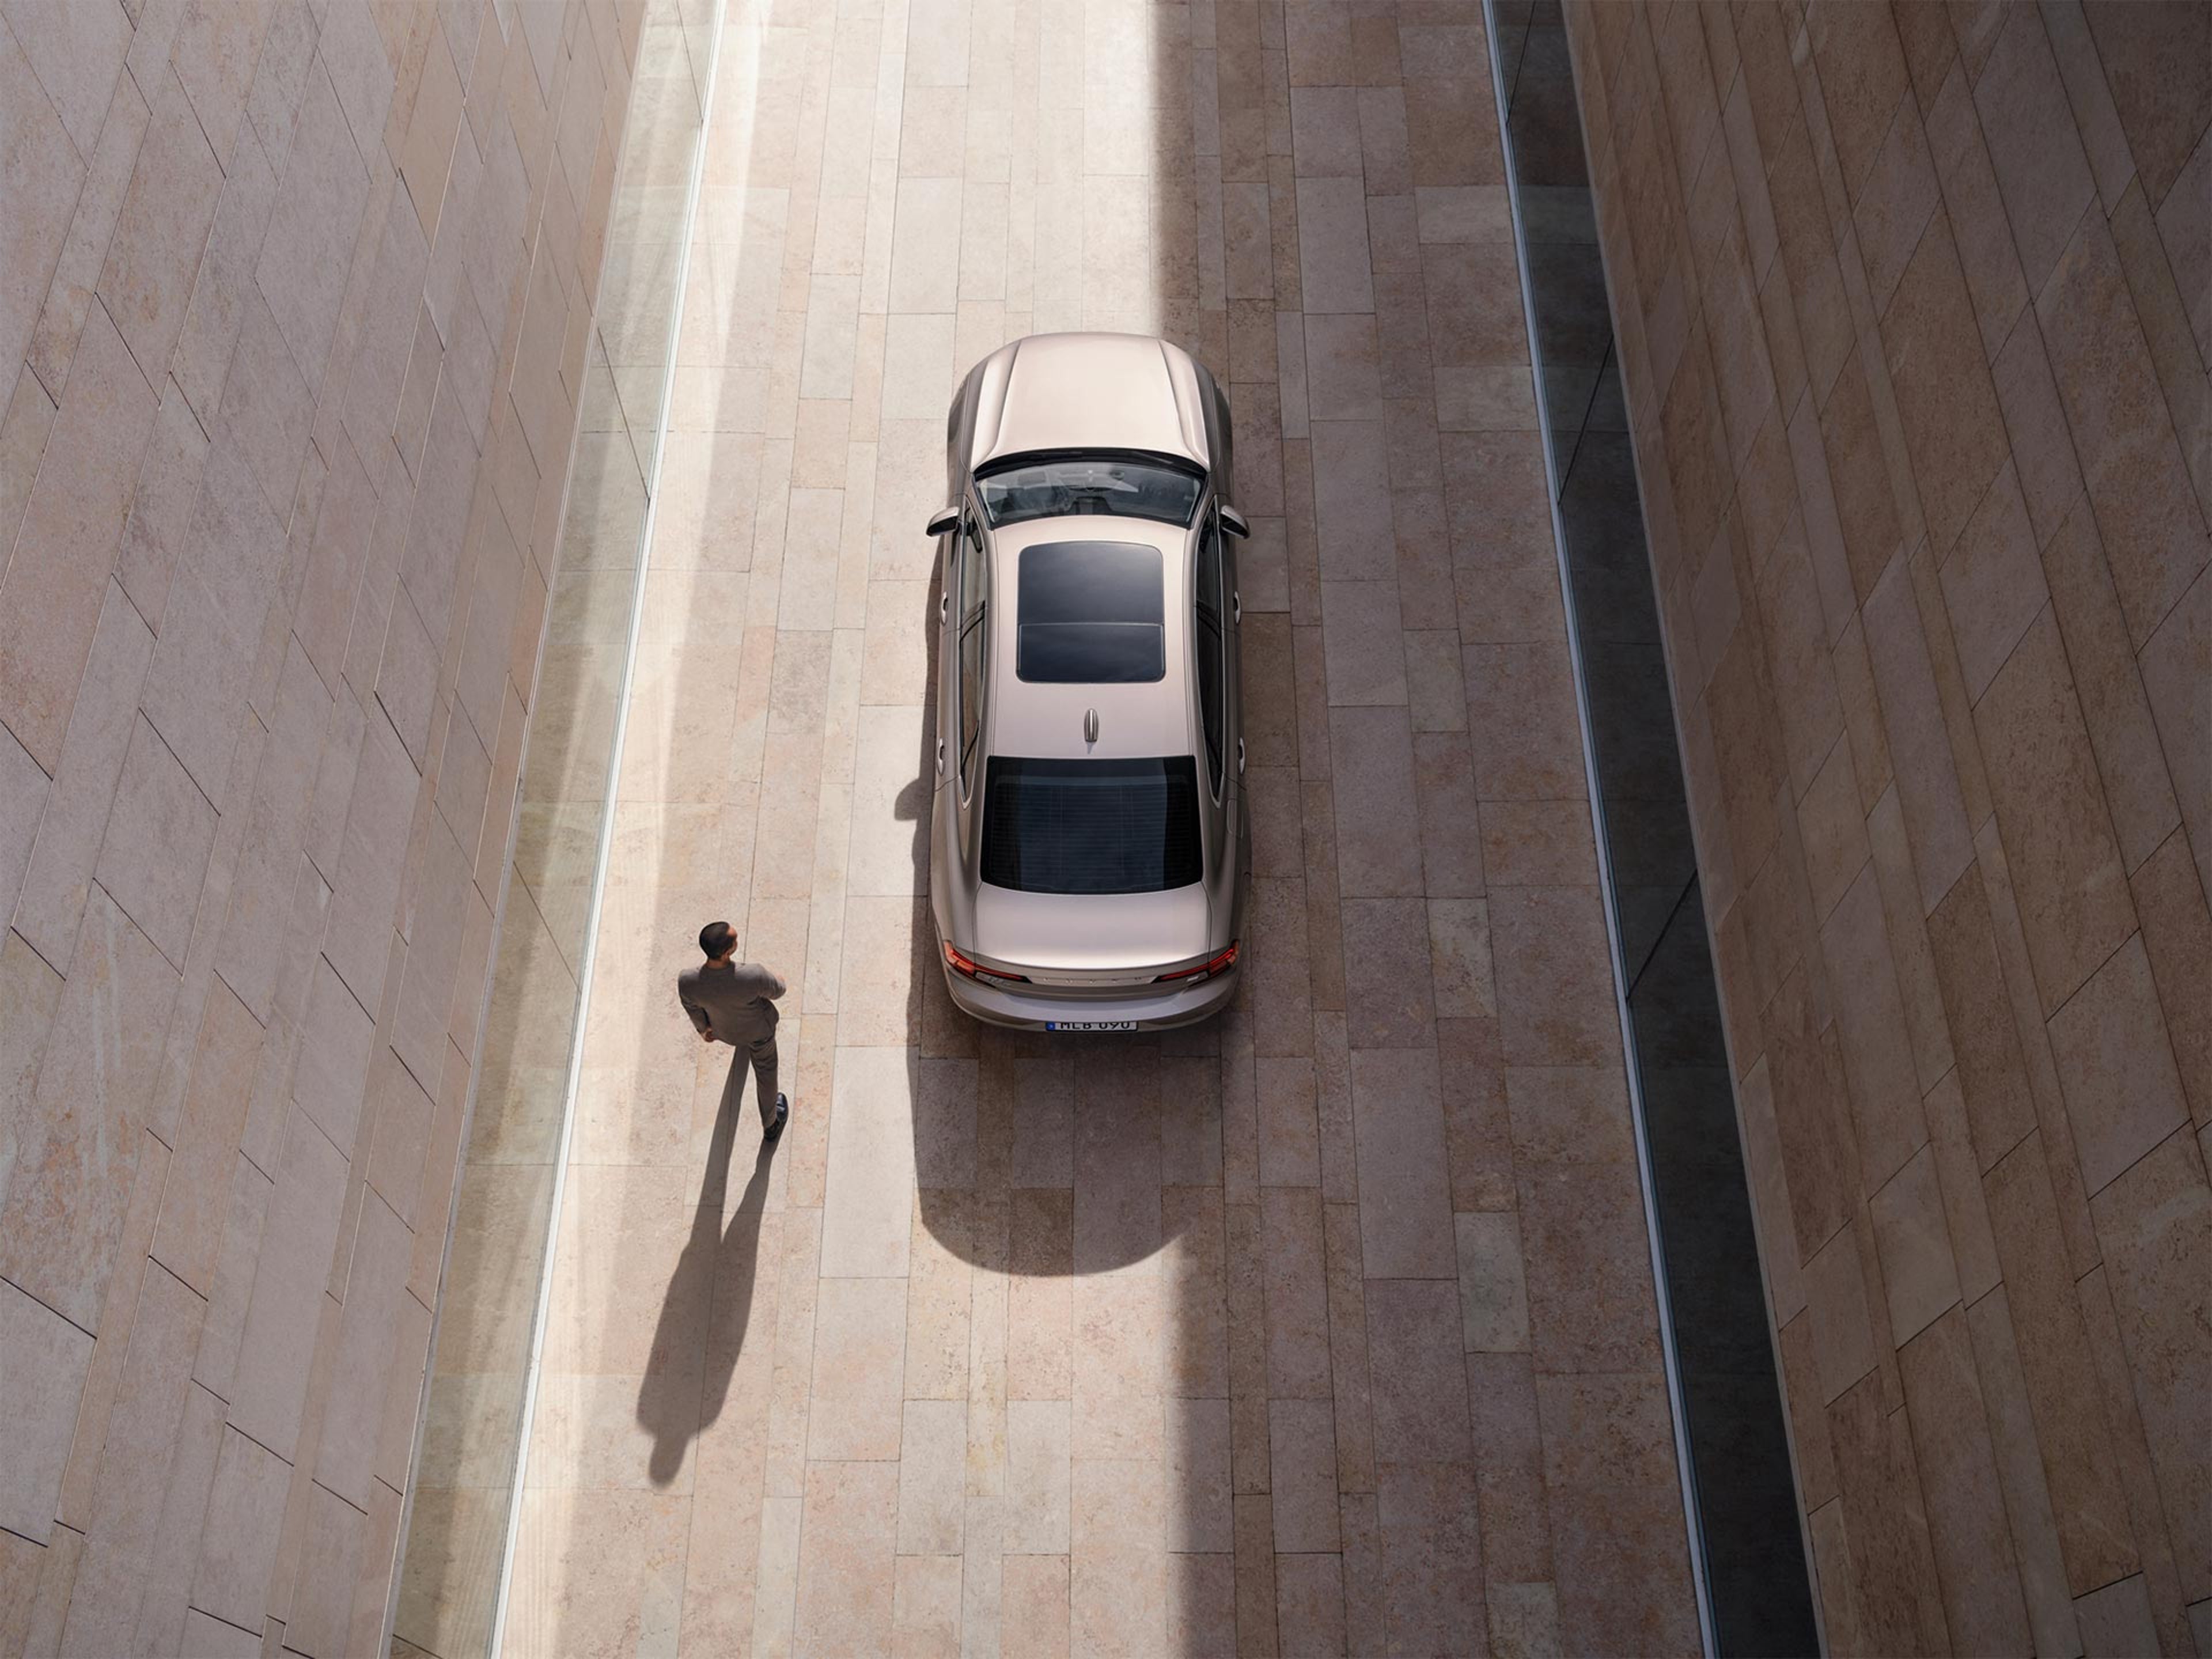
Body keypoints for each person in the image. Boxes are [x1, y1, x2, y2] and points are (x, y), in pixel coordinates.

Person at [677, 921, 789, 1141]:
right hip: (759, 1032)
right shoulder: (752, 975)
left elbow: (691, 1006)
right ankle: (771, 1123)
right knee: (766, 1074)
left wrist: (704, 1029)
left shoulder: (687, 980)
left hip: (725, 1031)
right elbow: (778, 990)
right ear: (728, 952)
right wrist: (780, 977)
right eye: (735, 939)